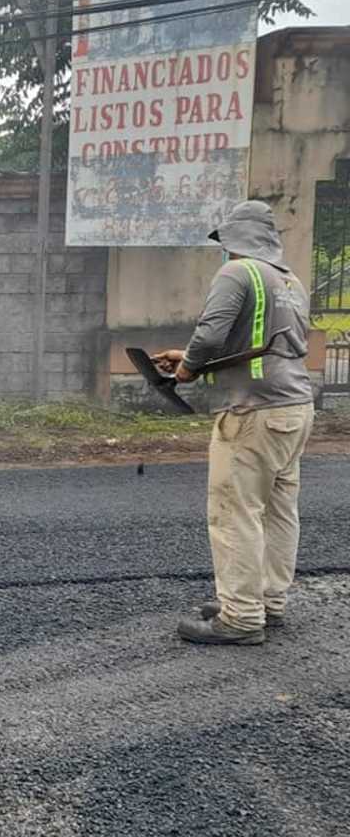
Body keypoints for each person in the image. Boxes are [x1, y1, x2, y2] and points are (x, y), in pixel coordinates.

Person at [153, 200, 314, 646]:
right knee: (279, 508)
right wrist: (190, 360)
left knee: (235, 510)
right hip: (295, 408)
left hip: (252, 412)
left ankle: (241, 617)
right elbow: (266, 344)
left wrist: (187, 369)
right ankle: (266, 600)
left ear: (235, 240)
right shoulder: (290, 281)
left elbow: (210, 333)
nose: (223, 251)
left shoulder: (237, 274)